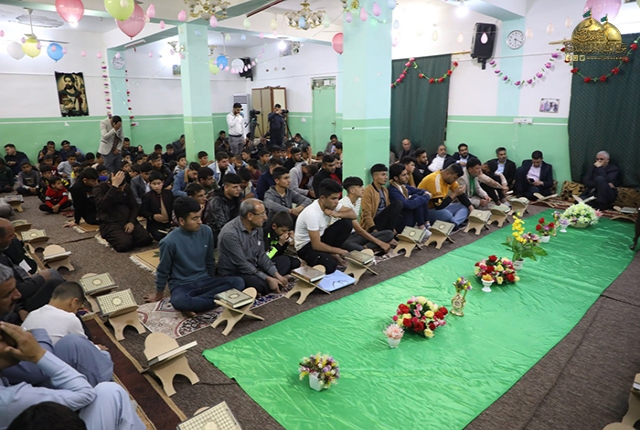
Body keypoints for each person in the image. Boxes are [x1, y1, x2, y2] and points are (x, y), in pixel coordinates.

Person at [0, 321, 144, 429]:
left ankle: (119, 413)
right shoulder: (8, 400)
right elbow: (85, 394)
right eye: (2, 338)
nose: (11, 338)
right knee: (111, 392)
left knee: (73, 343)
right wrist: (38, 354)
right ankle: (120, 412)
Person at [217, 199, 289, 295]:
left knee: (285, 261)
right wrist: (267, 278)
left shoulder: (258, 227)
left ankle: (273, 283)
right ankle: (267, 285)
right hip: (237, 272)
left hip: (254, 266)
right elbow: (242, 264)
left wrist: (276, 274)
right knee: (260, 284)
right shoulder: (230, 234)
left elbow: (261, 255)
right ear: (250, 216)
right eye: (262, 214)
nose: (265, 217)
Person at [0, 219, 65, 324]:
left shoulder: (4, 252)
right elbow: (16, 292)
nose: (14, 237)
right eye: (10, 235)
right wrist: (19, 309)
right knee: (54, 278)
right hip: (15, 310)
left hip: (17, 296)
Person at [294, 179, 356, 274]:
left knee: (346, 223)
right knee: (330, 266)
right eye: (333, 198)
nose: (337, 202)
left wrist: (337, 214)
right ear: (323, 198)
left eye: (337, 198)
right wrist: (338, 251)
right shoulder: (312, 213)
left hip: (320, 238)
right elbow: (316, 245)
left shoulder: (332, 204)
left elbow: (353, 215)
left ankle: (329, 253)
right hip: (306, 246)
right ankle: (309, 261)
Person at [93, 171, 153, 252]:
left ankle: (127, 237)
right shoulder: (99, 188)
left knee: (146, 239)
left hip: (127, 220)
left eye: (123, 187)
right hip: (110, 222)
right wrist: (114, 187)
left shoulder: (126, 187)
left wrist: (131, 221)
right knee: (124, 245)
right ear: (109, 183)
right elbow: (103, 205)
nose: (122, 190)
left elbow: (134, 206)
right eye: (119, 188)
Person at [21, 282, 90, 346]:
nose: (75, 312)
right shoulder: (70, 318)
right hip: (49, 354)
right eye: (77, 309)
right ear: (73, 302)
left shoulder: (32, 314)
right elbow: (86, 347)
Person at [338, 177, 394, 253]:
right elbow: (359, 230)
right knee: (350, 245)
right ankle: (366, 249)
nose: (363, 189)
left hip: (355, 234)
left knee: (389, 233)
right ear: (352, 190)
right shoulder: (344, 204)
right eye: (360, 187)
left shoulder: (358, 200)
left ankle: (366, 248)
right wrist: (380, 243)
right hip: (345, 238)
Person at [418, 163, 470, 229]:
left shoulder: (448, 179)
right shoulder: (434, 180)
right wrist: (454, 194)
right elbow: (439, 206)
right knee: (447, 215)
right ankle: (452, 222)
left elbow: (460, 194)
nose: (455, 181)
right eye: (454, 178)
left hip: (441, 208)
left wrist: (471, 208)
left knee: (464, 207)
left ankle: (454, 223)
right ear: (448, 174)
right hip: (427, 210)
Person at [388, 164, 431, 232]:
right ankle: (422, 227)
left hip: (408, 216)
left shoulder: (403, 186)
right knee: (416, 199)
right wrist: (426, 196)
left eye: (407, 174)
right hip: (401, 221)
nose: (407, 177)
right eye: (404, 175)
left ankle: (426, 224)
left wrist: (425, 192)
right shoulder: (393, 190)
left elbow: (417, 190)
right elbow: (408, 205)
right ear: (396, 178)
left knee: (417, 197)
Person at [360, 164, 403, 234]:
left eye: (386, 175)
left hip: (384, 220)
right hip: (375, 222)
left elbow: (388, 207)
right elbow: (366, 212)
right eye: (383, 175)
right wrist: (373, 228)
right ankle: (389, 232)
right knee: (398, 203)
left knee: (401, 216)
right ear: (375, 177)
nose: (386, 177)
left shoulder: (384, 190)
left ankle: (391, 232)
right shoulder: (368, 190)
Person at [204, 173, 242, 243]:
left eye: (240, 186)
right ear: (226, 187)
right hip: (216, 234)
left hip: (235, 230)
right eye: (235, 187)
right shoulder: (216, 201)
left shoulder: (238, 197)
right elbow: (221, 224)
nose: (239, 189)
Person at [264, 211, 301, 276]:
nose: (285, 233)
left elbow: (281, 252)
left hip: (277, 257)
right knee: (285, 260)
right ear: (274, 226)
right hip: (267, 260)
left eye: (287, 230)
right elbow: (268, 256)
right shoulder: (266, 234)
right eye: (283, 231)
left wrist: (290, 241)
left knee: (296, 262)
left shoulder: (280, 235)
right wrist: (280, 244)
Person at [141, 171, 174, 241]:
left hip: (169, 223)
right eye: (154, 184)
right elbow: (143, 211)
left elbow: (173, 207)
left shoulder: (169, 193)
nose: (157, 186)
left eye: (159, 183)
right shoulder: (147, 196)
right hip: (155, 225)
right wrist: (153, 216)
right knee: (159, 235)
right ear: (150, 184)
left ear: (163, 182)